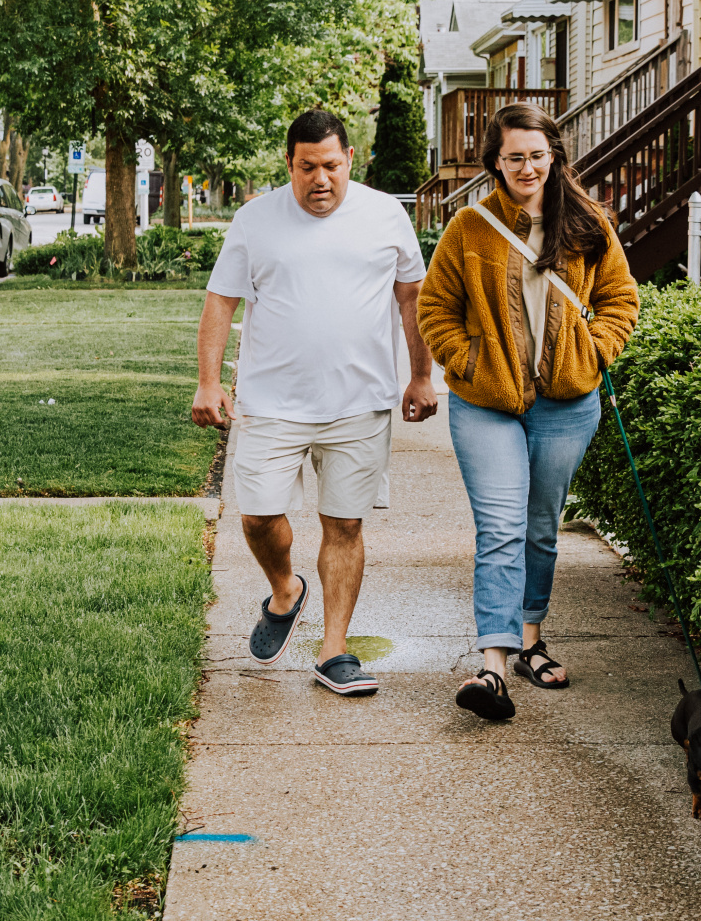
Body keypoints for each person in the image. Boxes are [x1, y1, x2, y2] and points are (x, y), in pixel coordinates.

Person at [191, 110, 436, 696]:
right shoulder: (255, 220)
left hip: (359, 403)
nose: (320, 179)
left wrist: (422, 377)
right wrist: (207, 381)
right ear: (289, 166)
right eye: (307, 168)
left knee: (344, 524)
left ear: (351, 159)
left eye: (331, 165)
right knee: (257, 515)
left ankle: (335, 651)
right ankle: (285, 590)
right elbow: (220, 302)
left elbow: (413, 301)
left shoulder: (385, 215)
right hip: (271, 401)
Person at [416, 102, 639, 721]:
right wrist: (467, 360)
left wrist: (595, 351)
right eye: (514, 156)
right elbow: (435, 307)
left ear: (554, 157)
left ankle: (531, 639)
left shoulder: (588, 222)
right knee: (500, 528)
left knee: (540, 528)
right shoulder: (471, 226)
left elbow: (621, 297)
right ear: (496, 162)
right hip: (486, 403)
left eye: (537, 155)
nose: (526, 166)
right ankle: (493, 668)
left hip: (568, 402)